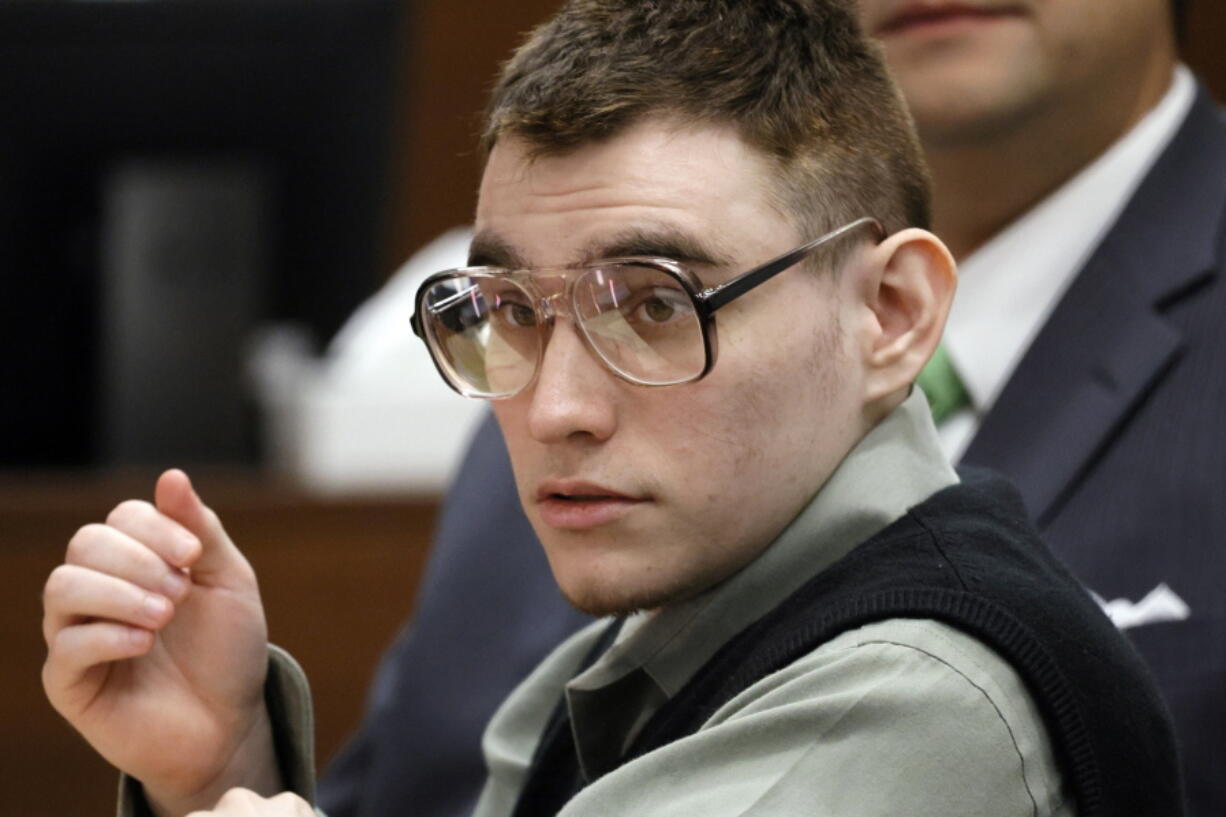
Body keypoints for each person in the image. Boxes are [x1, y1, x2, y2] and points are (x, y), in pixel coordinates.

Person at [42, 1, 1184, 815]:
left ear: (888, 314)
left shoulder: (915, 698)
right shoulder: (648, 639)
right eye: (509, 310)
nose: (556, 408)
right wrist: (222, 772)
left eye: (651, 303)